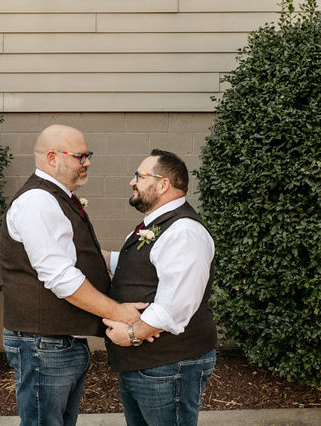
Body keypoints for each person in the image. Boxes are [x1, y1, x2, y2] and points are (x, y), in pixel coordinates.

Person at [0, 124, 147, 426]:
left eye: (88, 155)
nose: (87, 162)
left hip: (56, 343)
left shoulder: (55, 198)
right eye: (80, 156)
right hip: (43, 344)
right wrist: (120, 313)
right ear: (52, 158)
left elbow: (80, 255)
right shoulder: (37, 202)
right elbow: (61, 278)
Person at [102, 149, 217, 426]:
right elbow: (136, 265)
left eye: (139, 176)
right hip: (147, 365)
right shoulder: (157, 225)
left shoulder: (183, 232)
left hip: (169, 367)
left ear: (163, 184)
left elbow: (176, 305)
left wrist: (131, 335)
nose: (132, 182)